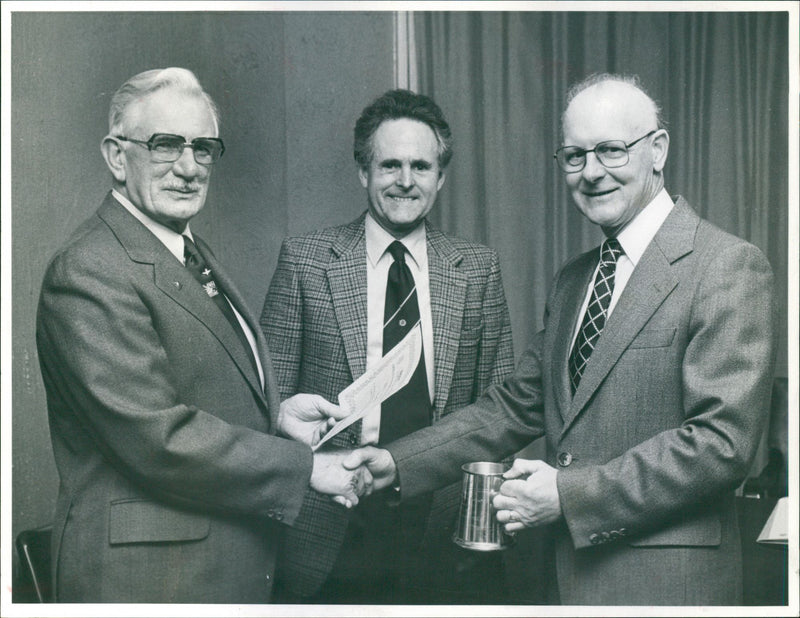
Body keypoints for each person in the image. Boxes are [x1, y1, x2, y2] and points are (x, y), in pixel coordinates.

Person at [345, 73, 776, 605]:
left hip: (666, 590)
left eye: (612, 151)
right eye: (574, 156)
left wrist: (567, 495)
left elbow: (721, 446)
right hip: (564, 584)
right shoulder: (576, 279)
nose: (591, 172)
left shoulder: (726, 266)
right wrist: (394, 462)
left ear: (657, 150)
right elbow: (512, 408)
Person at [35, 67, 366, 604]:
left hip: (209, 572)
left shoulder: (184, 248)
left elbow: (191, 383)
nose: (188, 168)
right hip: (146, 585)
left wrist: (275, 415)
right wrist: (307, 468)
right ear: (117, 156)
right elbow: (158, 438)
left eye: (203, 148)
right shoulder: (88, 270)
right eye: (166, 146)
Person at [260, 89, 515, 603]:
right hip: (330, 524)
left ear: (440, 177)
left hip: (441, 529)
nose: (405, 181)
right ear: (364, 173)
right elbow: (267, 399)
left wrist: (482, 527)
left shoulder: (477, 269)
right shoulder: (305, 262)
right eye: (389, 165)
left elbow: (498, 410)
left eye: (421, 166)